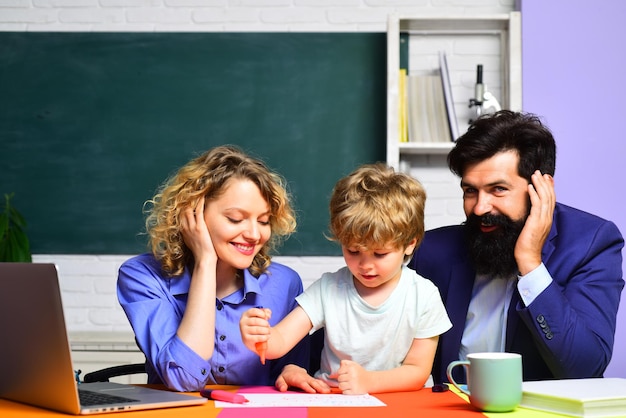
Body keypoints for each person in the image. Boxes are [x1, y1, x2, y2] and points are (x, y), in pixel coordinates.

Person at [408, 110, 624, 384]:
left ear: (540, 189)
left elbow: (584, 369)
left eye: (498, 189)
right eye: (470, 191)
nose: (480, 207)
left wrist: (531, 263)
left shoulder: (591, 244)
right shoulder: (431, 251)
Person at [240, 163, 452, 395]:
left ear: (410, 244)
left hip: (397, 403)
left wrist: (369, 382)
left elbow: (417, 372)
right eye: (353, 251)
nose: (365, 265)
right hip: (333, 400)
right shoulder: (329, 288)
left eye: (380, 254)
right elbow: (279, 340)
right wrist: (260, 337)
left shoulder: (424, 295)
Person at [117, 145, 310, 392]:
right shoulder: (141, 276)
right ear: (192, 213)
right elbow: (183, 379)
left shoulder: (285, 282)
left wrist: (292, 371)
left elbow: (292, 370)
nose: (253, 234)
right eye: (235, 219)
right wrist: (205, 261)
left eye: (263, 221)